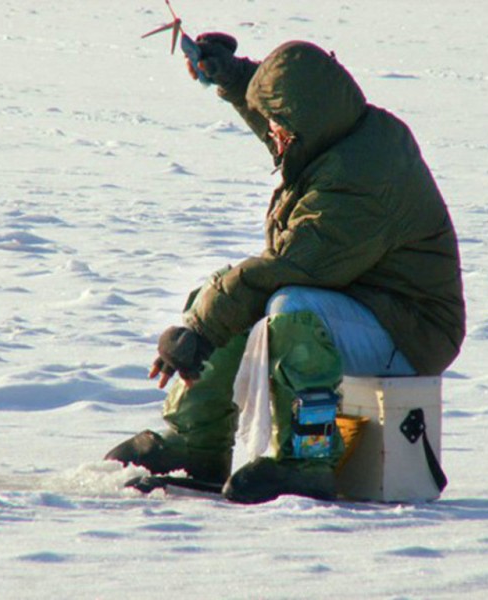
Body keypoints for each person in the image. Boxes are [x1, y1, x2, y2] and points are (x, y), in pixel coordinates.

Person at [105, 33, 466, 504]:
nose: (270, 132)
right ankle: (196, 445)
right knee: (230, 295)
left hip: (413, 332)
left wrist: (199, 328)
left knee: (288, 306)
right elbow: (295, 117)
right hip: (366, 302)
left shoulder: (358, 185)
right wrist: (235, 79)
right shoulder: (346, 133)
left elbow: (292, 266)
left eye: (277, 124)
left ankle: (307, 460)